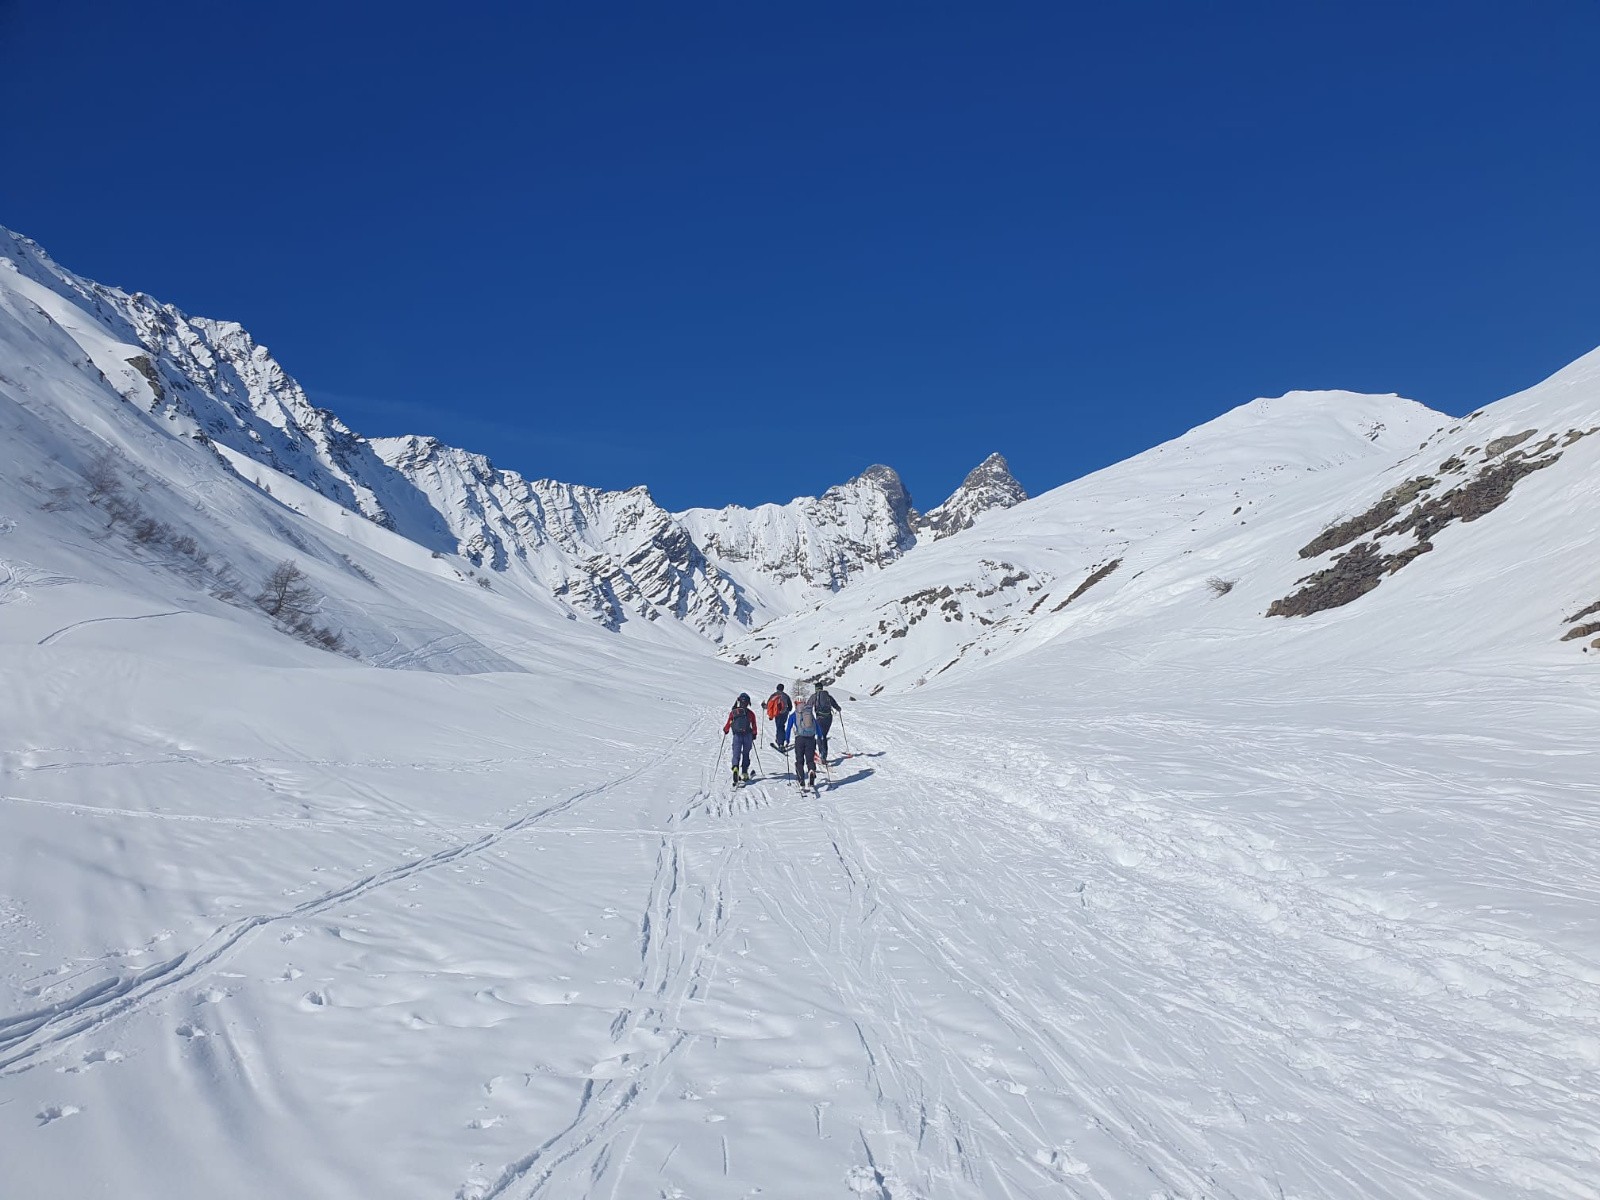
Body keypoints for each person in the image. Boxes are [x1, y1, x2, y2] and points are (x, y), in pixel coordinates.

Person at [786, 688, 820, 790]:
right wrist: (820, 736)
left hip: (799, 739)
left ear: (795, 703)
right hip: (811, 738)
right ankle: (811, 770)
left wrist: (786, 740)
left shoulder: (793, 715)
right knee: (810, 759)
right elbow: (817, 725)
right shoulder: (809, 713)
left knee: (799, 760)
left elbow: (788, 729)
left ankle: (801, 780)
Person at [723, 693, 758, 783]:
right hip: (747, 736)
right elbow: (754, 724)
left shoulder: (734, 712)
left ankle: (735, 767)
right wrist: (754, 734)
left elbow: (729, 723)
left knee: (736, 753)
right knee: (746, 753)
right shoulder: (750, 713)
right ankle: (745, 772)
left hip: (737, 736)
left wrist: (726, 730)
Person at [812, 682, 842, 762]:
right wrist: (838, 709)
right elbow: (836, 705)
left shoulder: (815, 696)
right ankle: (824, 755)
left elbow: (808, 706)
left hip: (819, 718)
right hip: (829, 718)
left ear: (816, 688)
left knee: (819, 735)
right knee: (824, 735)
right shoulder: (828, 696)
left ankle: (822, 754)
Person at [765, 683, 793, 750]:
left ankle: (780, 742)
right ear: (783, 689)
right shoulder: (786, 696)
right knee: (781, 726)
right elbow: (790, 707)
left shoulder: (774, 695)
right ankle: (780, 741)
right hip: (784, 713)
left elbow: (768, 705)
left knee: (779, 726)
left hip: (777, 713)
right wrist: (787, 709)